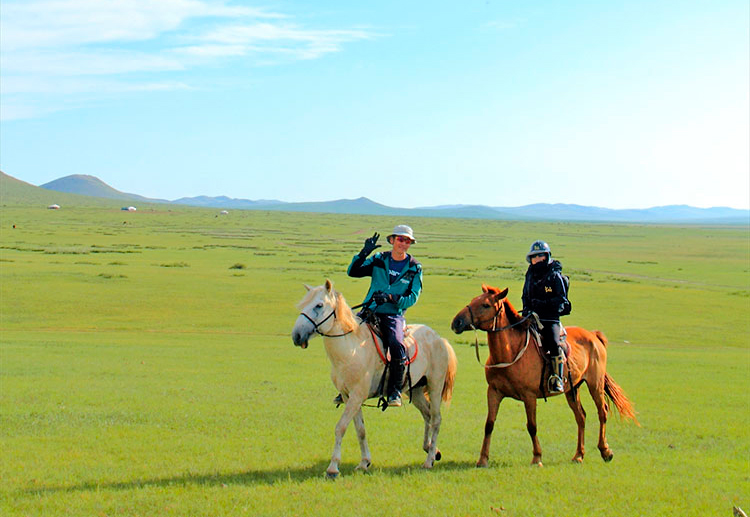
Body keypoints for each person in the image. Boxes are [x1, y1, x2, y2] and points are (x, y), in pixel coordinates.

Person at [345, 224, 423, 407]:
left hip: (392, 315)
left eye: (407, 241)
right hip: (369, 310)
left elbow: (412, 297)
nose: (403, 243)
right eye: (400, 239)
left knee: (396, 345)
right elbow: (353, 272)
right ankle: (346, 386)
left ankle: (395, 390)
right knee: (347, 336)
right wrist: (363, 252)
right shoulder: (379, 259)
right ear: (392, 240)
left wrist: (391, 298)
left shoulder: (414, 268)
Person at [521, 240, 571, 394]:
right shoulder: (530, 274)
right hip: (532, 316)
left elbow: (561, 300)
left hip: (550, 319)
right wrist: (527, 309)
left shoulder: (554, 276)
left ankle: (558, 379)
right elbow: (525, 295)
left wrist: (541, 304)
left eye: (540, 256)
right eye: (534, 257)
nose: (537, 260)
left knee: (554, 343)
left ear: (547, 257)